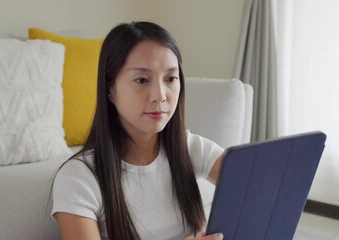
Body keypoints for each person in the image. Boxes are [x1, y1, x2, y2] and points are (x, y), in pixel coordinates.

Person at [51, 21, 225, 240]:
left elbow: (265, 184)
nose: (160, 95)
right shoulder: (78, 179)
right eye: (142, 80)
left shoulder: (190, 148)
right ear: (110, 89)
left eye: (170, 78)